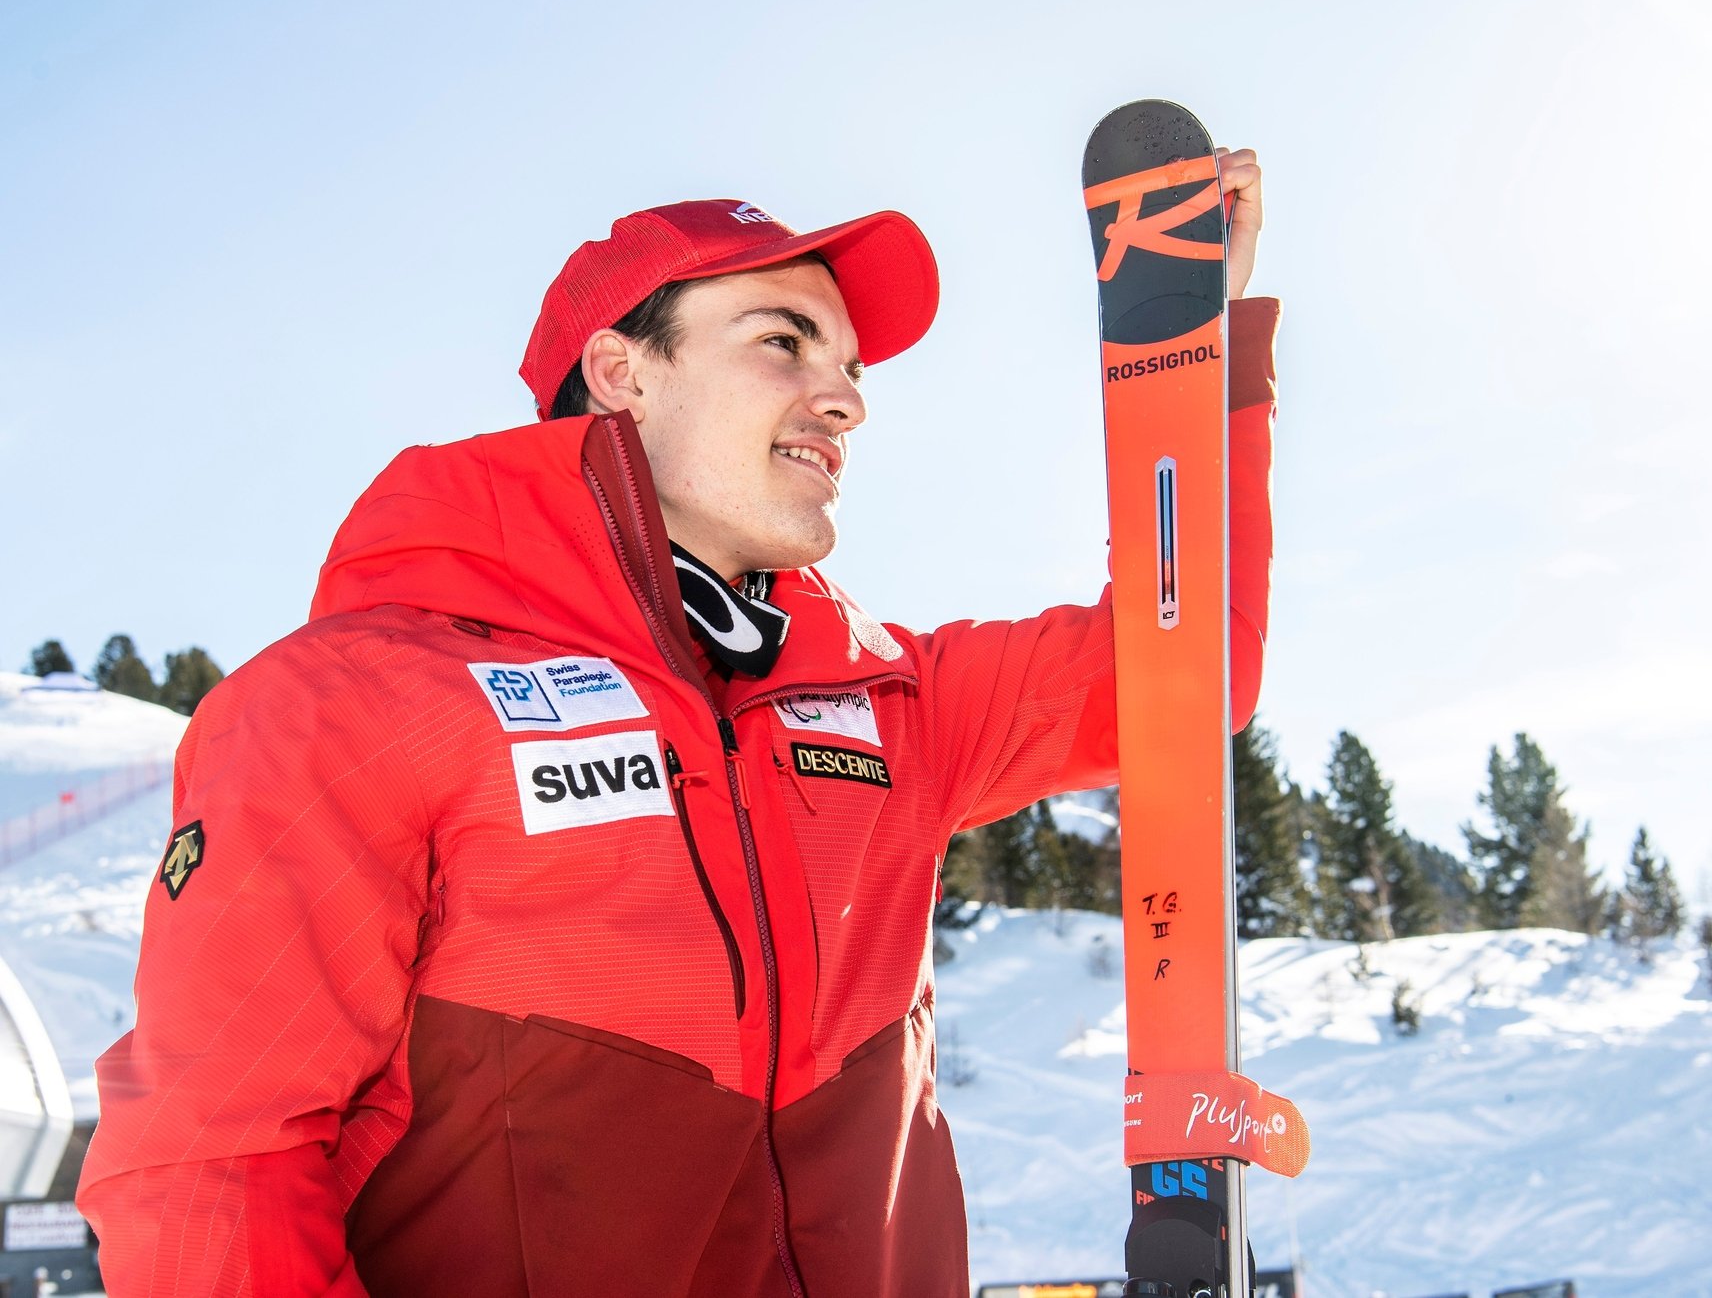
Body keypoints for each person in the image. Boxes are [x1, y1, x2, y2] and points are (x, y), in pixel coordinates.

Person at [77, 152, 1280, 1296]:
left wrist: (1189, 363)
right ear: (621, 372)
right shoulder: (356, 700)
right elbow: (207, 1168)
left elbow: (1180, 675)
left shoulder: (890, 701)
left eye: (851, 364)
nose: (847, 398)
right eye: (783, 341)